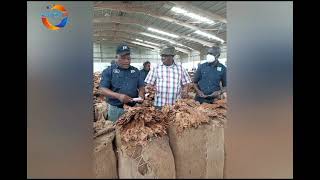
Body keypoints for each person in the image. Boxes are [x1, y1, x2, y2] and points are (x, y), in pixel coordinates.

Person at [100, 43, 145, 122]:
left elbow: (141, 86)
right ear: (116, 57)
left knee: (132, 131)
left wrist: (141, 94)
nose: (127, 61)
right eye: (123, 58)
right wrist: (118, 96)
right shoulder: (109, 71)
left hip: (133, 108)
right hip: (116, 109)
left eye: (128, 58)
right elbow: (103, 89)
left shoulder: (136, 71)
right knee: (115, 130)